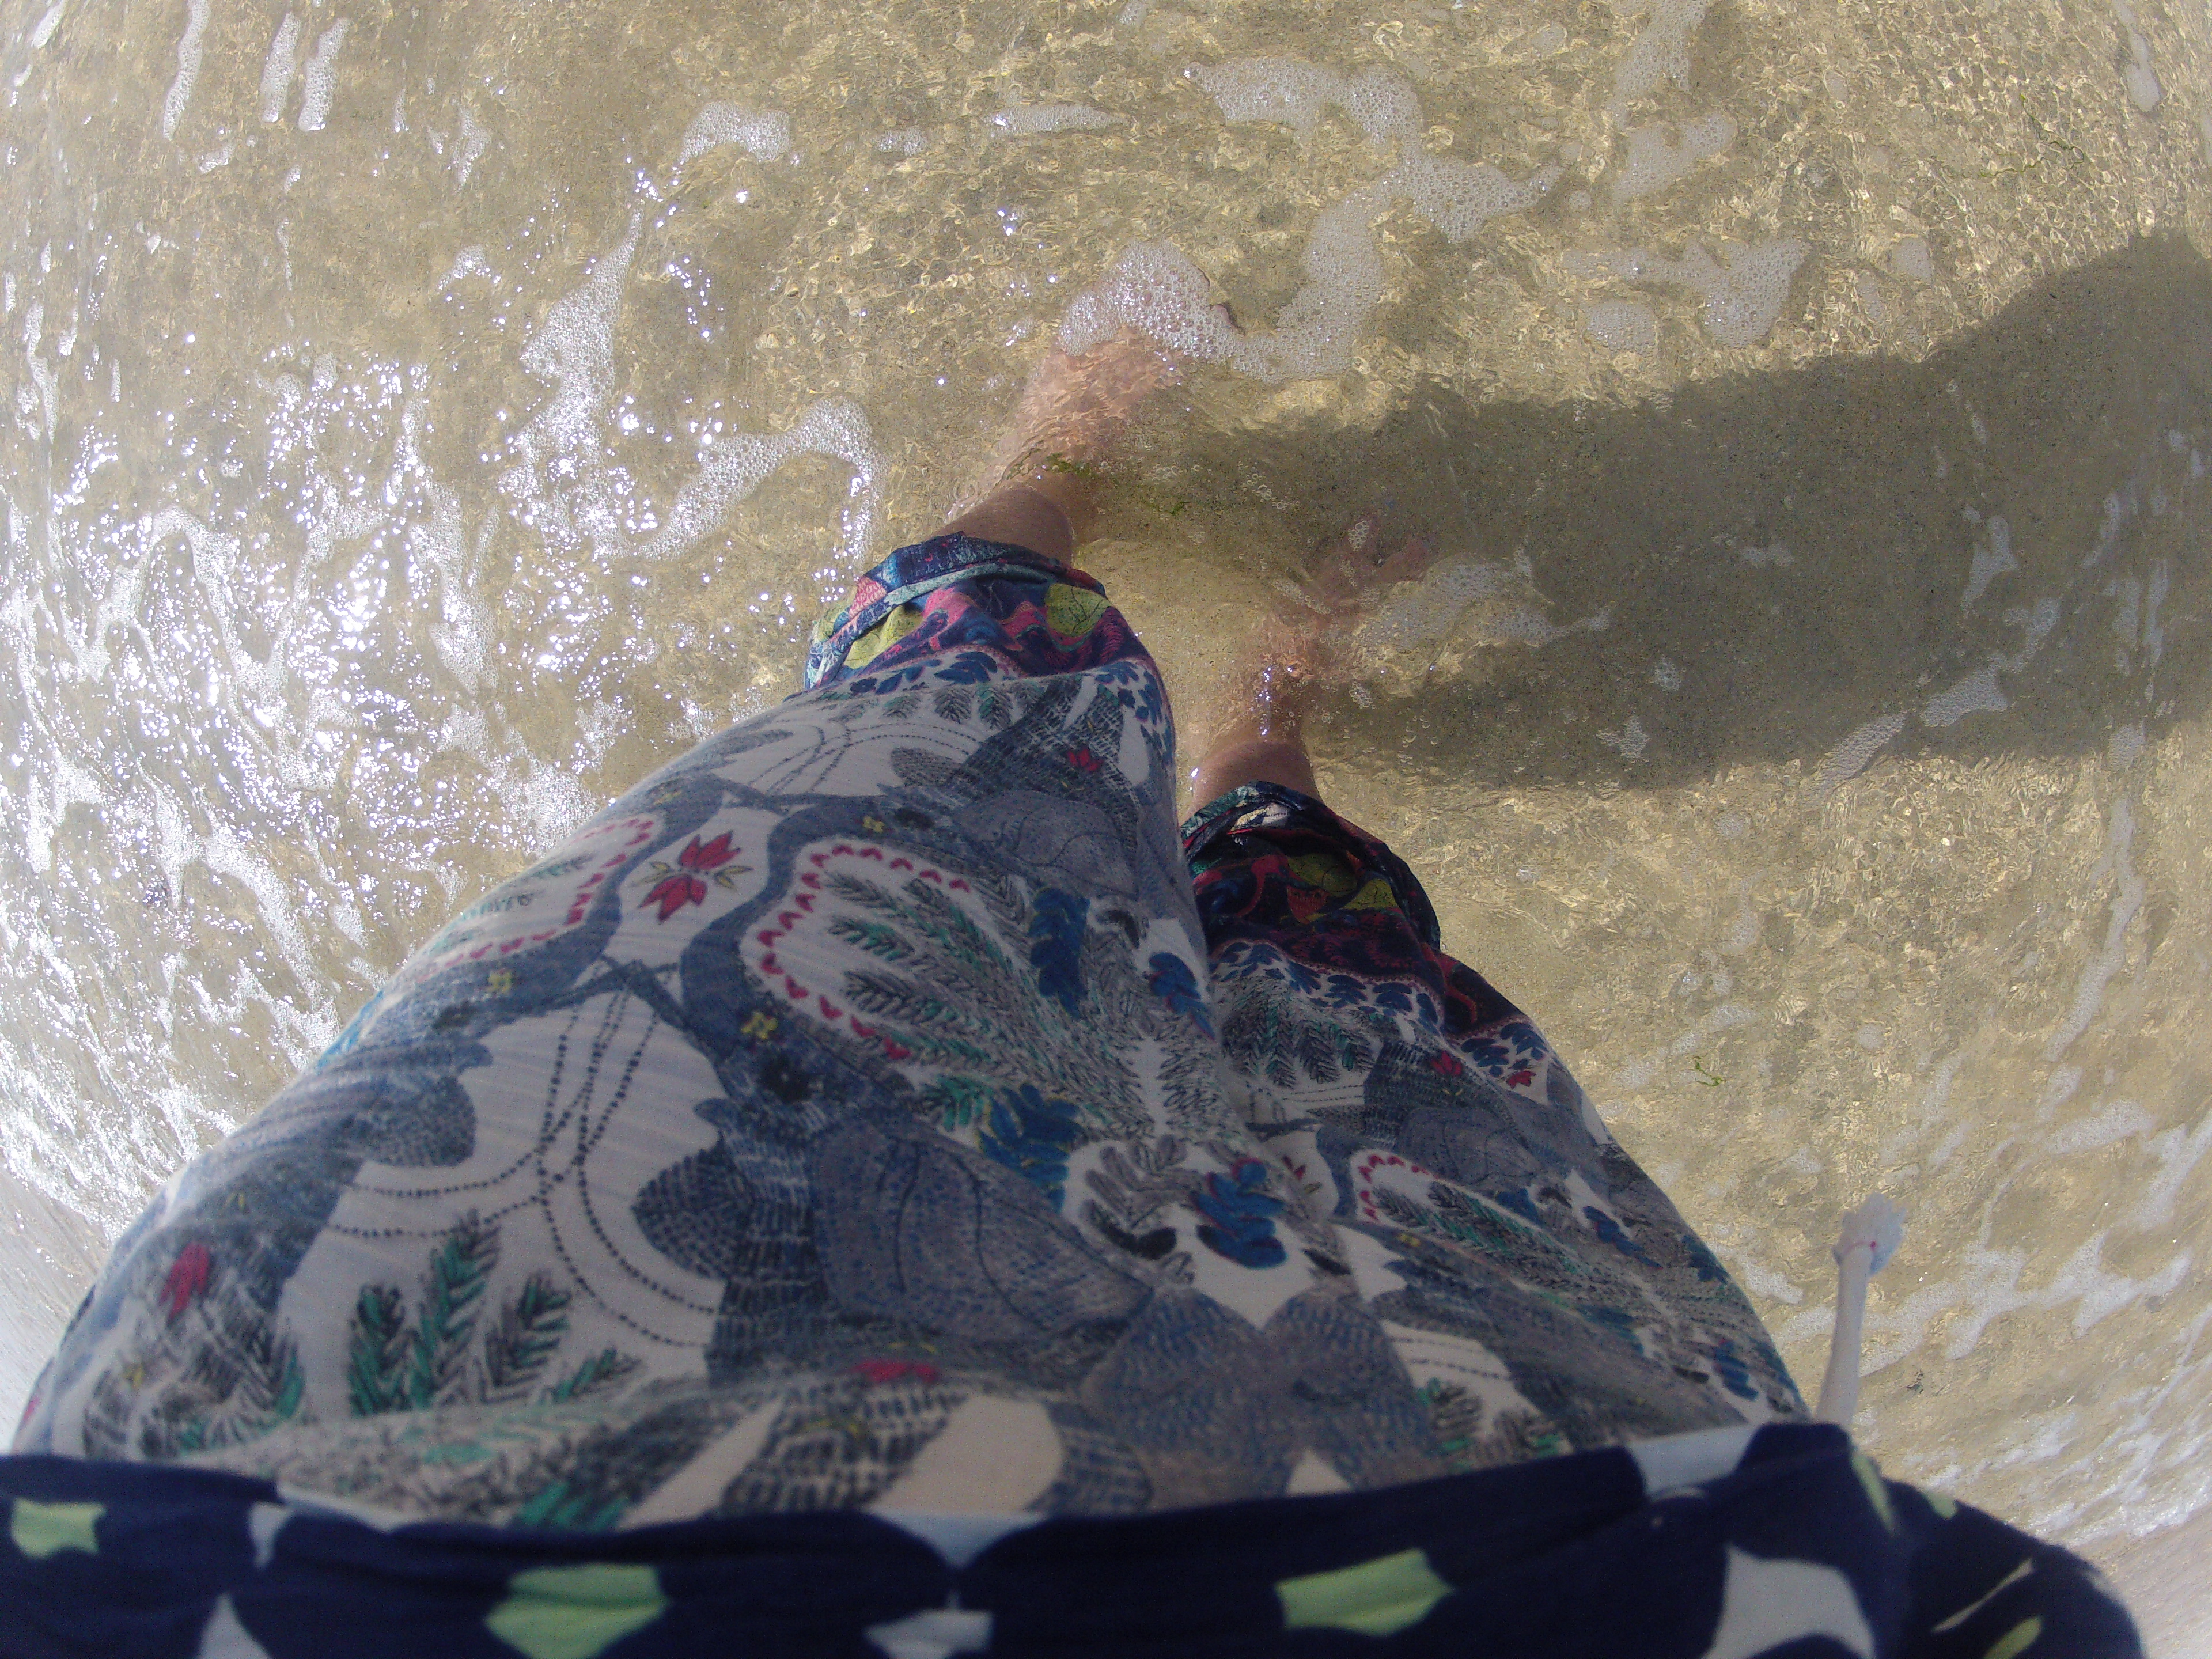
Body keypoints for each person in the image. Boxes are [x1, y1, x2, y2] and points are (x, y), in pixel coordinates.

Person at [2, 334, 2138, 1657]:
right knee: (1339, 1018)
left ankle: (1062, 472)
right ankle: (1269, 727)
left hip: (336, 1508)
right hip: (1553, 1549)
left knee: (924, 784)